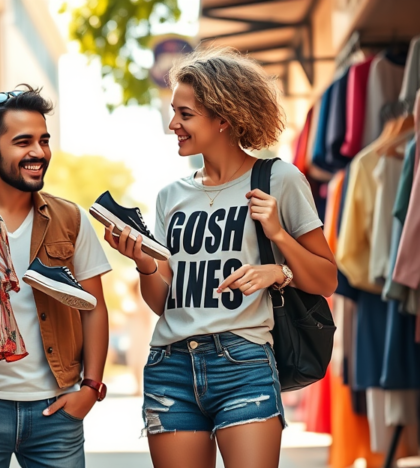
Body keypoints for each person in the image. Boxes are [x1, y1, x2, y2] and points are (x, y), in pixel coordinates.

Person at [104, 48, 338, 468]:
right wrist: (144, 264)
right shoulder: (170, 196)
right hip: (168, 366)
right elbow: (164, 303)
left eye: (185, 113)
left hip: (243, 360)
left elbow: (326, 279)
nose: (172, 124)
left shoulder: (279, 179)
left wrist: (278, 249)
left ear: (223, 118)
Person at [0, 85, 112, 468]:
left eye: (44, 140)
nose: (39, 152)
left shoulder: (71, 220)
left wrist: (91, 388)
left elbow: (93, 308)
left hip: (56, 412)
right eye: (23, 141)